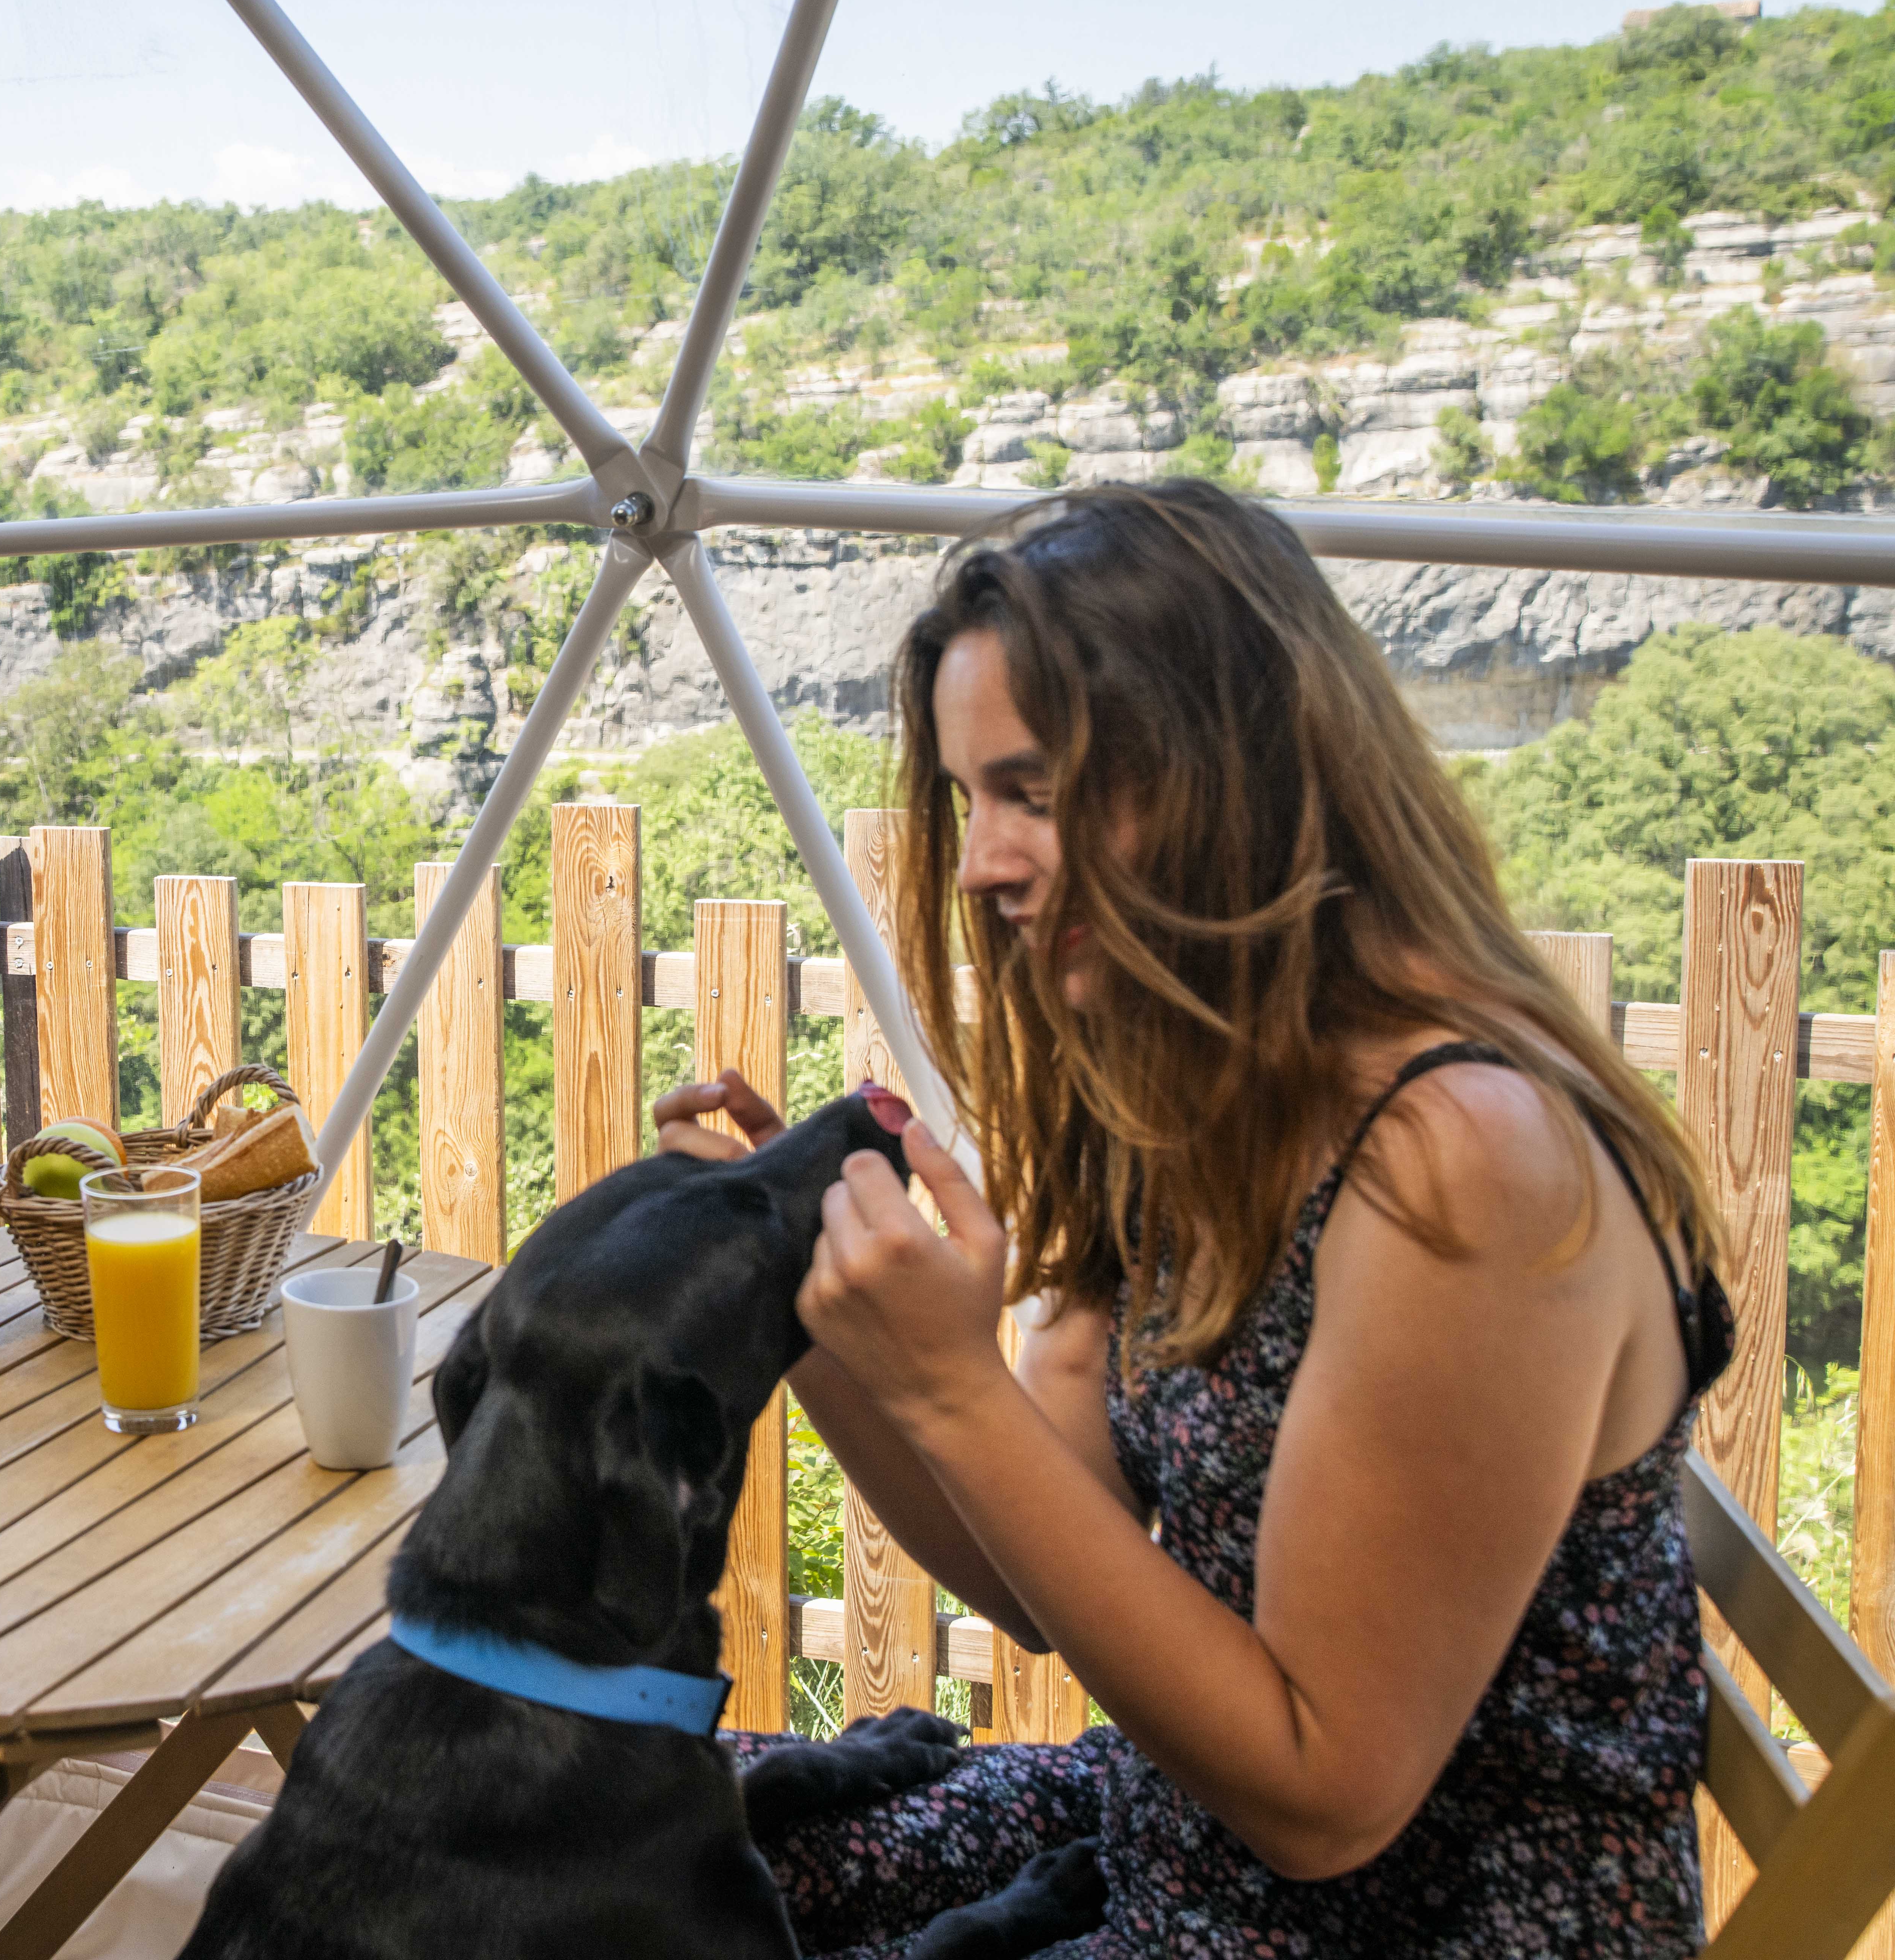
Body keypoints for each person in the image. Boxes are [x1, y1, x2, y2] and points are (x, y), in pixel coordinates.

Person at [658, 481, 1728, 1958]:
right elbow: (1040, 1571)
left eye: (1034, 790)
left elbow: (1325, 1792)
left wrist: (955, 1385)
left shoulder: (1466, 1158)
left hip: (1402, 1926)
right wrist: (809, 1297)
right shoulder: (1200, 1093)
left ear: (1232, 763)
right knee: (593, 1858)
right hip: (1169, 1841)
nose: (981, 863)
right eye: (974, 801)